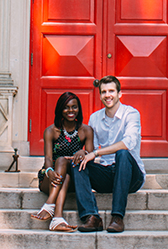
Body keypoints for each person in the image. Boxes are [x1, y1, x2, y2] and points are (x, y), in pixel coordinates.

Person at [70, 75, 146, 233]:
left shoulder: (131, 114)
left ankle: (117, 217)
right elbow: (90, 151)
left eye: (111, 91)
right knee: (78, 162)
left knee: (123, 154)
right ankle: (92, 217)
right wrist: (83, 153)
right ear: (100, 95)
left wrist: (96, 153)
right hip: (106, 173)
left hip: (131, 176)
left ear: (119, 94)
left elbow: (128, 143)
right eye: (104, 92)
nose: (107, 95)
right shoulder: (95, 118)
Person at [31, 91, 94, 232]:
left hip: (73, 179)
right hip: (51, 178)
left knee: (65, 167)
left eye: (74, 107)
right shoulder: (51, 131)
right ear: (60, 110)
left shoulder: (86, 131)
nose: (71, 111)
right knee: (59, 162)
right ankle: (57, 217)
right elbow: (48, 158)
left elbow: (91, 155)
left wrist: (83, 152)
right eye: (66, 107)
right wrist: (49, 171)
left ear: (79, 109)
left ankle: (49, 205)